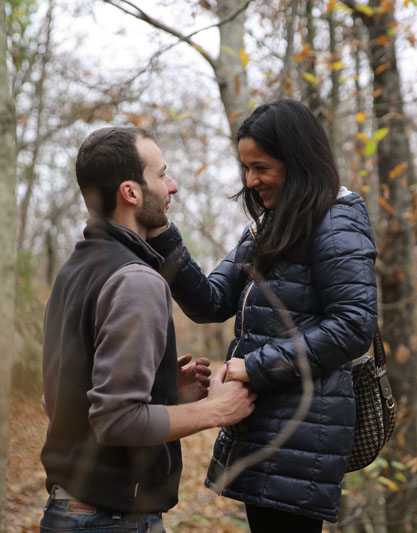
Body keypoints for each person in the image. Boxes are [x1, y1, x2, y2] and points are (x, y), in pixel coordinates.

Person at [147, 100, 378, 531]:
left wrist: (254, 366)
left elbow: (353, 325)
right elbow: (211, 302)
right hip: (269, 429)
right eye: (246, 168)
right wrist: (162, 235)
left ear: (297, 161)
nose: (251, 181)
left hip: (302, 434)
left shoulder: (336, 223)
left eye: (261, 167)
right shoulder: (269, 228)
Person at [39, 126, 256, 533]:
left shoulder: (75, 269)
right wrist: (213, 411)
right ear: (131, 193)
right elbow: (116, 421)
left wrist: (163, 391)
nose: (171, 186)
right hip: (110, 520)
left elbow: (61, 397)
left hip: (75, 511)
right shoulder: (136, 279)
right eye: (161, 174)